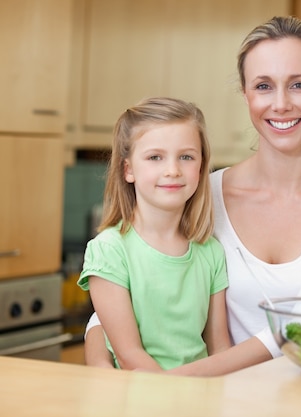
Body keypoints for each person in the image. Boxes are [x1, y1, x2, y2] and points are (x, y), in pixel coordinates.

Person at [83, 15, 301, 376]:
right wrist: (101, 365)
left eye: (299, 85)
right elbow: (133, 290)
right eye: (263, 86)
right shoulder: (201, 193)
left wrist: (169, 384)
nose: (280, 104)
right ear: (244, 92)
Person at [78, 97, 231, 371]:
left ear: (201, 166)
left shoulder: (211, 251)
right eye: (155, 157)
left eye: (186, 157)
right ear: (128, 170)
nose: (172, 170)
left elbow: (219, 347)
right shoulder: (109, 250)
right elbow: (129, 355)